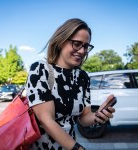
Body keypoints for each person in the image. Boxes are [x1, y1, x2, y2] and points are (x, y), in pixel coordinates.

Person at [26, 18, 115, 150]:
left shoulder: (83, 77)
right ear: (61, 41)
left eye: (85, 46)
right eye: (77, 44)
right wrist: (78, 148)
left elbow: (83, 118)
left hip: (69, 146)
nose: (82, 51)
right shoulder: (40, 69)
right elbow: (46, 121)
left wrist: (98, 116)